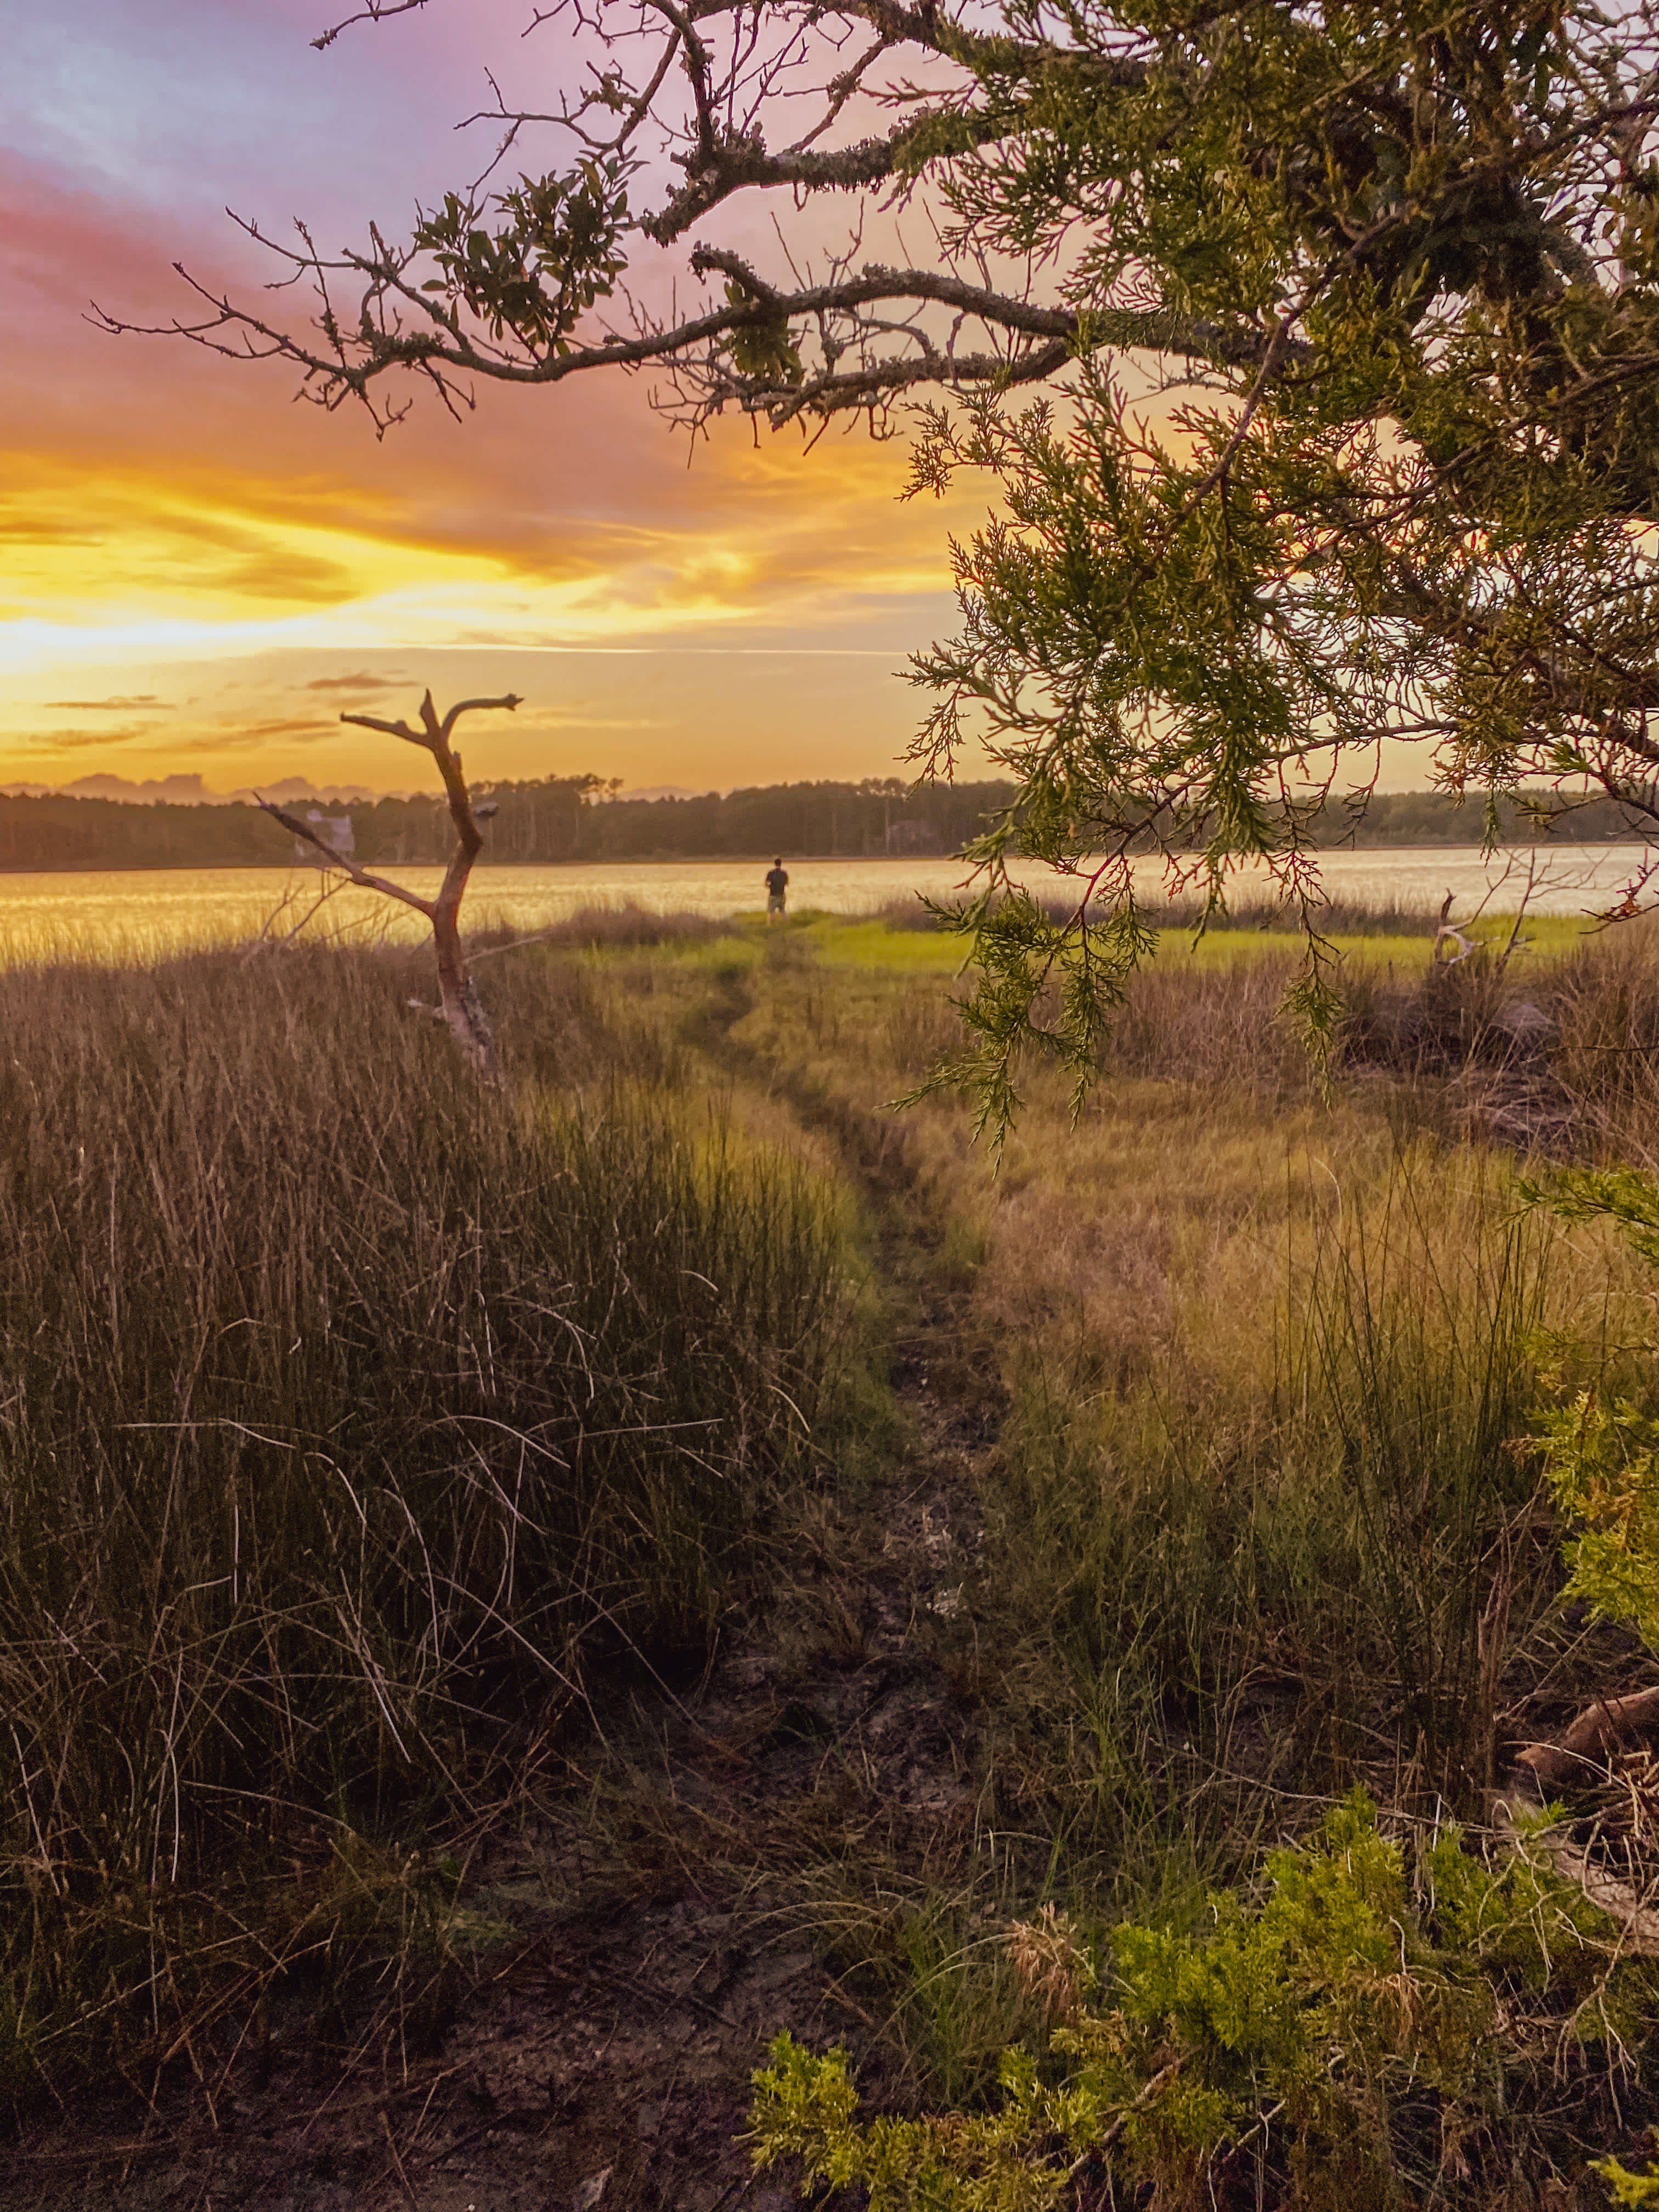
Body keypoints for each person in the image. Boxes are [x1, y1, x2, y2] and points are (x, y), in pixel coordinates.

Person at [765, 857, 789, 923]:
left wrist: (771, 887)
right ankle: (788, 923)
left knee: (772, 911)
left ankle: (771, 926)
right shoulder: (784, 873)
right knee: (782, 910)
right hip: (782, 895)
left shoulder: (771, 873)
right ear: (781, 864)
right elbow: (787, 883)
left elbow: (766, 884)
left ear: (775, 864)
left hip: (773, 895)